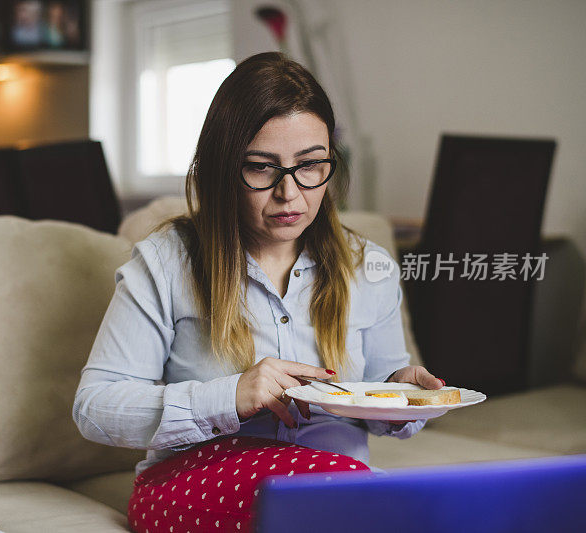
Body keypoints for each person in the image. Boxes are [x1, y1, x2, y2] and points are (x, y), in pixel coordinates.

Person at [73, 51, 445, 532]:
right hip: (196, 482)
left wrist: (400, 396)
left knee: (372, 504)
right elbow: (93, 408)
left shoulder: (366, 265)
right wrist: (228, 396)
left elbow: (379, 403)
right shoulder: (166, 262)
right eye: (262, 168)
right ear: (223, 168)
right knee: (367, 506)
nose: (290, 193)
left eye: (311, 165)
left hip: (334, 486)